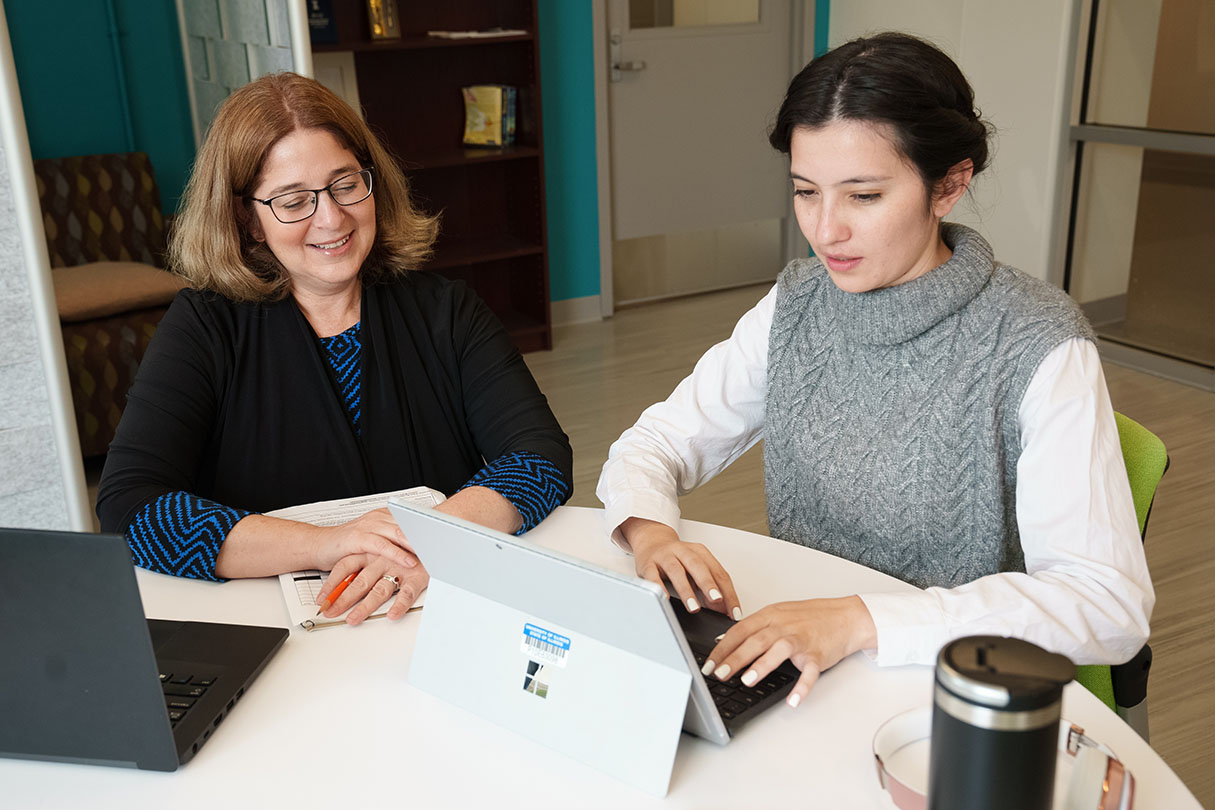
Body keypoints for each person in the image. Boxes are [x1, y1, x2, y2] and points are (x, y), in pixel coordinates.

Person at [596, 33, 1153, 708]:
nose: (824, 231)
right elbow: (655, 443)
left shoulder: (1036, 343)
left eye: (861, 196)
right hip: (808, 669)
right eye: (805, 191)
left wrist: (860, 619)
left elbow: (1106, 606)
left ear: (948, 185)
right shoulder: (798, 302)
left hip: (947, 688)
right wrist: (650, 529)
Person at [98, 73, 572, 624]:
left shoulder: (447, 310)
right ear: (248, 219)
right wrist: (330, 543)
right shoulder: (204, 326)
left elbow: (540, 458)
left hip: (431, 607)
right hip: (274, 629)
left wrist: (427, 540)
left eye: (345, 184)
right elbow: (131, 507)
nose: (331, 218)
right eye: (294, 201)